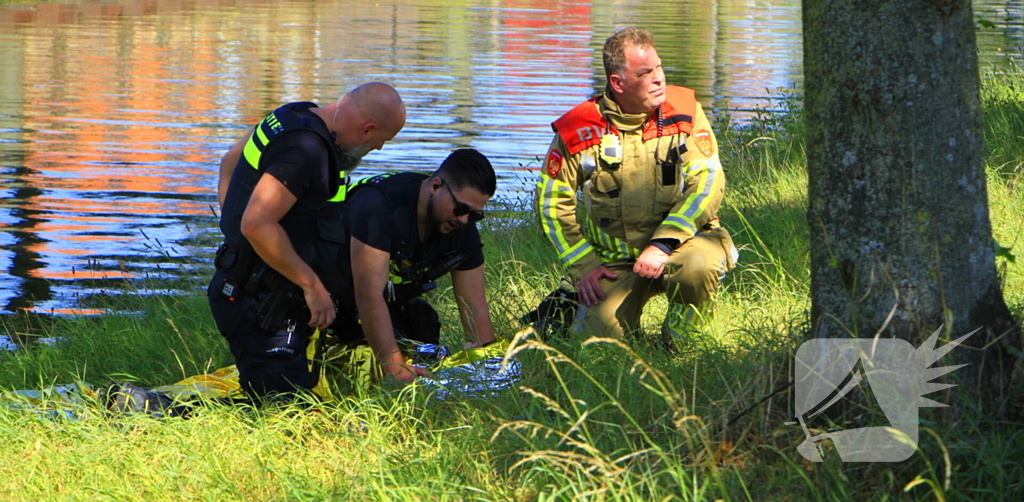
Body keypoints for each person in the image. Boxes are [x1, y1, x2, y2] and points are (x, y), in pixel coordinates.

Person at [535, 28, 737, 340]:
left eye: (659, 67)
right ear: (618, 83)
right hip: (616, 261)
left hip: (682, 246)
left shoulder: (684, 111)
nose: (659, 79)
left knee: (698, 266)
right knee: (597, 347)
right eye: (645, 73)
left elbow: (707, 182)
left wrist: (663, 243)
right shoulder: (578, 129)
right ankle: (585, 312)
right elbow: (551, 205)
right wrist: (584, 265)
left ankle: (681, 345)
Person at [208, 82, 406, 399]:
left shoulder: (294, 114)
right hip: (260, 301)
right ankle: (149, 406)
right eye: (382, 140)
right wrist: (312, 286)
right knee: (283, 409)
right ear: (367, 130)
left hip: (247, 281)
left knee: (285, 394)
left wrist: (235, 234)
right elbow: (257, 224)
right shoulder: (306, 150)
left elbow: (231, 161)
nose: (379, 148)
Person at [331, 148, 497, 385]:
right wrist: (395, 369)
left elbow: (475, 307)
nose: (463, 220)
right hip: (330, 305)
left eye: (473, 215)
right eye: (460, 209)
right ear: (436, 186)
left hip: (389, 305)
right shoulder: (378, 206)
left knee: (422, 324)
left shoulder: (461, 226)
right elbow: (368, 296)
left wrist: (487, 367)